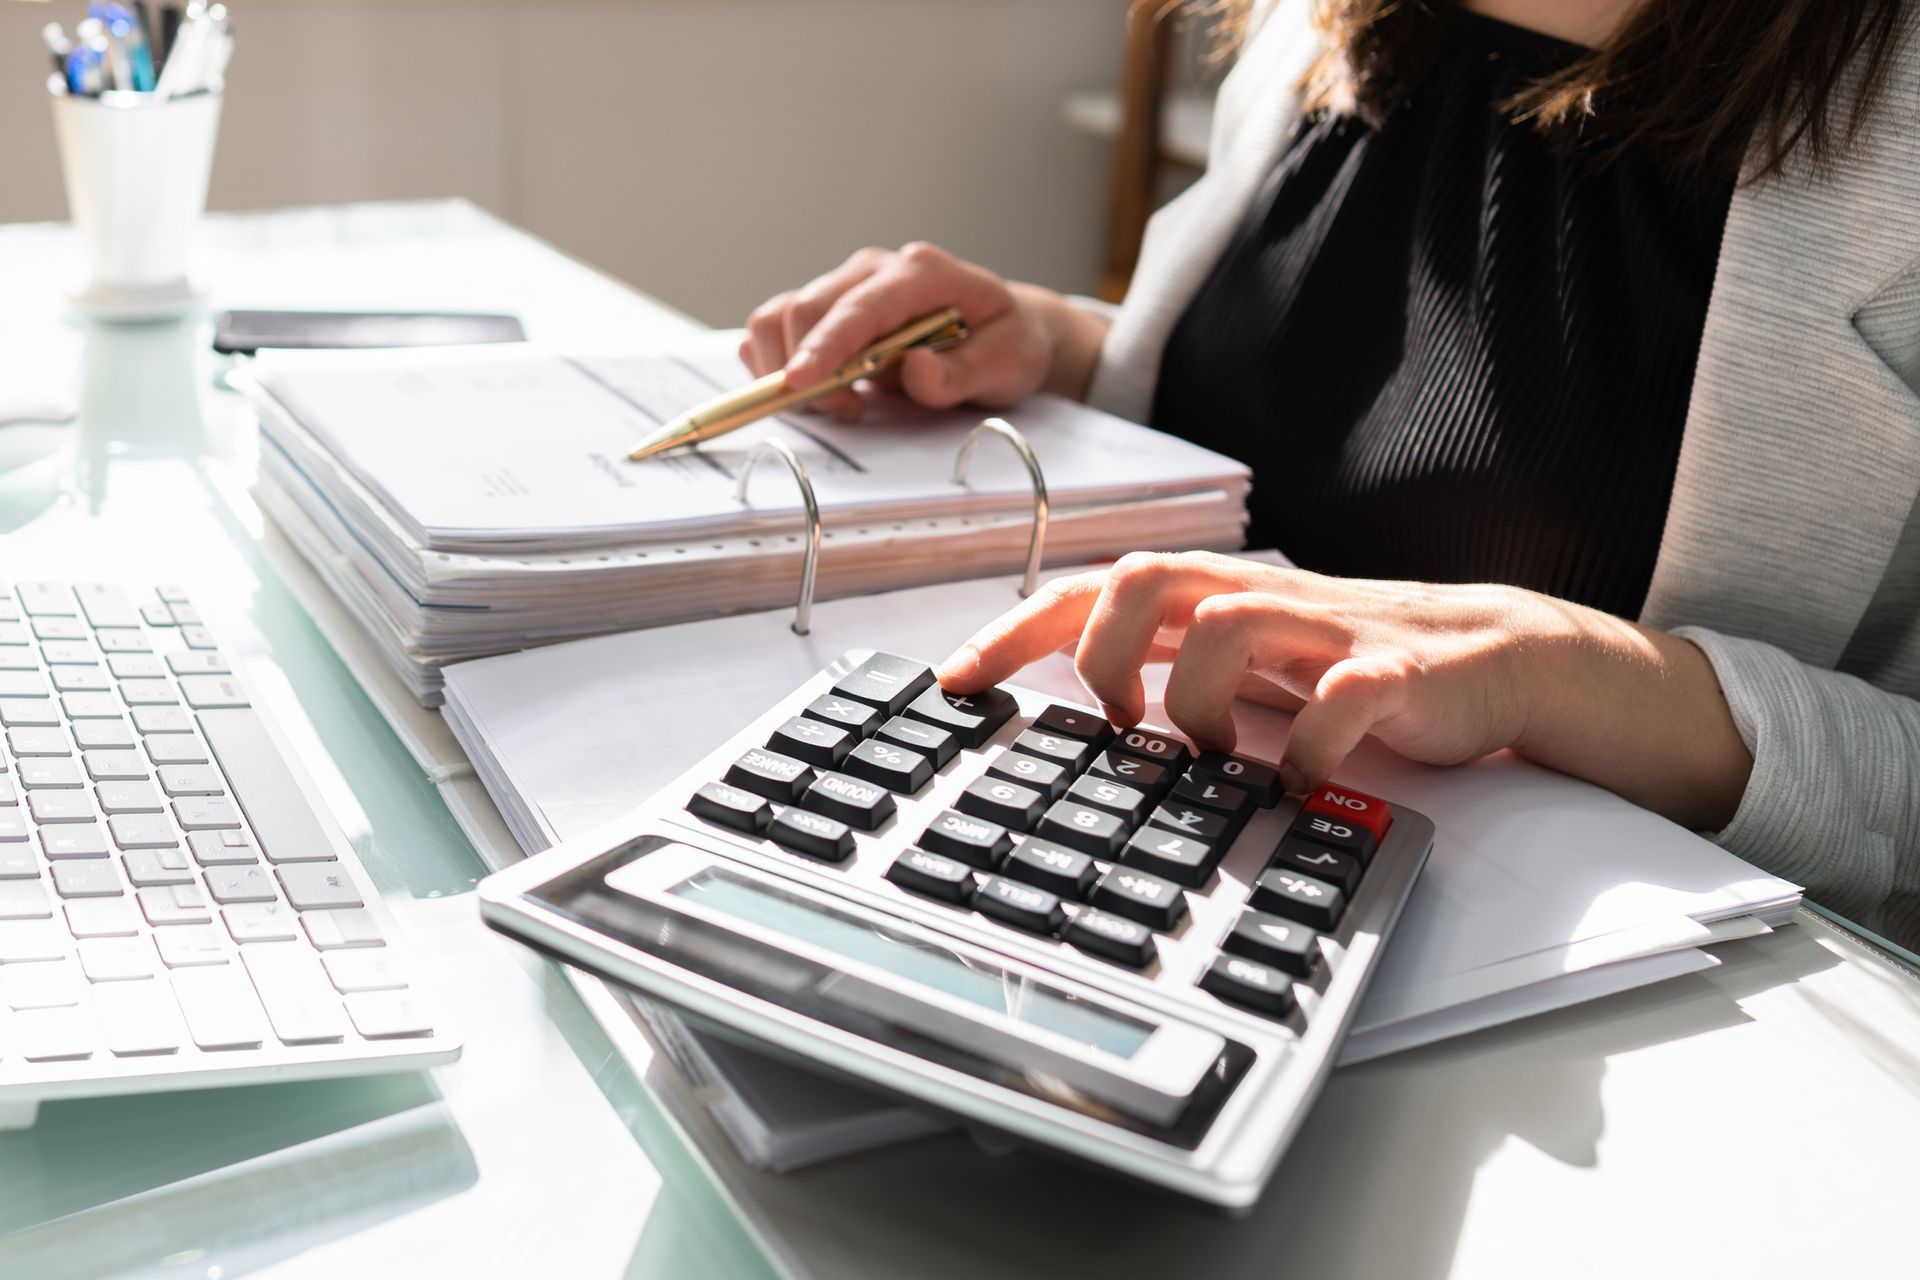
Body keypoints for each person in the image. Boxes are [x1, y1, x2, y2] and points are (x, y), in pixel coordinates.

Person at [739, 0, 1920, 944]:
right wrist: (1055, 339)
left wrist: (1561, 668)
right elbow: (1321, 424)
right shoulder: (1316, 21)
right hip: (1177, 853)